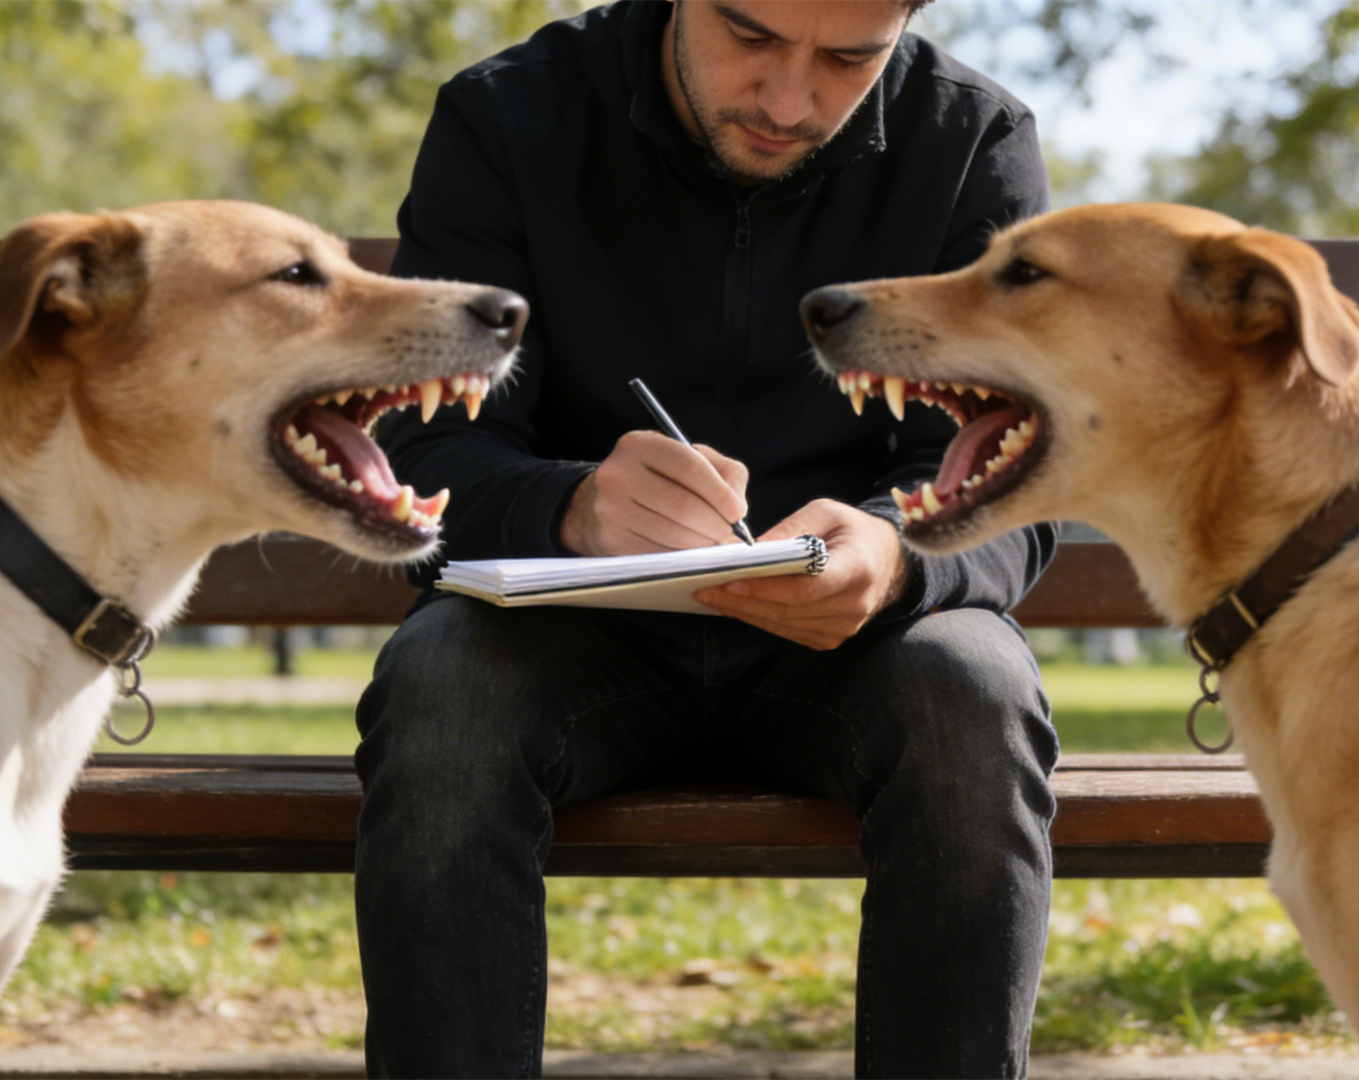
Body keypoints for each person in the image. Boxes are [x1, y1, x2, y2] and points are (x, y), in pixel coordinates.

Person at [355, 2, 1058, 1076]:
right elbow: (419, 447)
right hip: (565, 632)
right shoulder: (509, 118)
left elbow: (1014, 475)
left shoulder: (969, 144)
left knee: (974, 691)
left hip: (856, 645)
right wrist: (570, 506)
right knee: (442, 687)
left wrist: (894, 554)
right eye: (751, 36)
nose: (789, 102)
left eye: (848, 59)